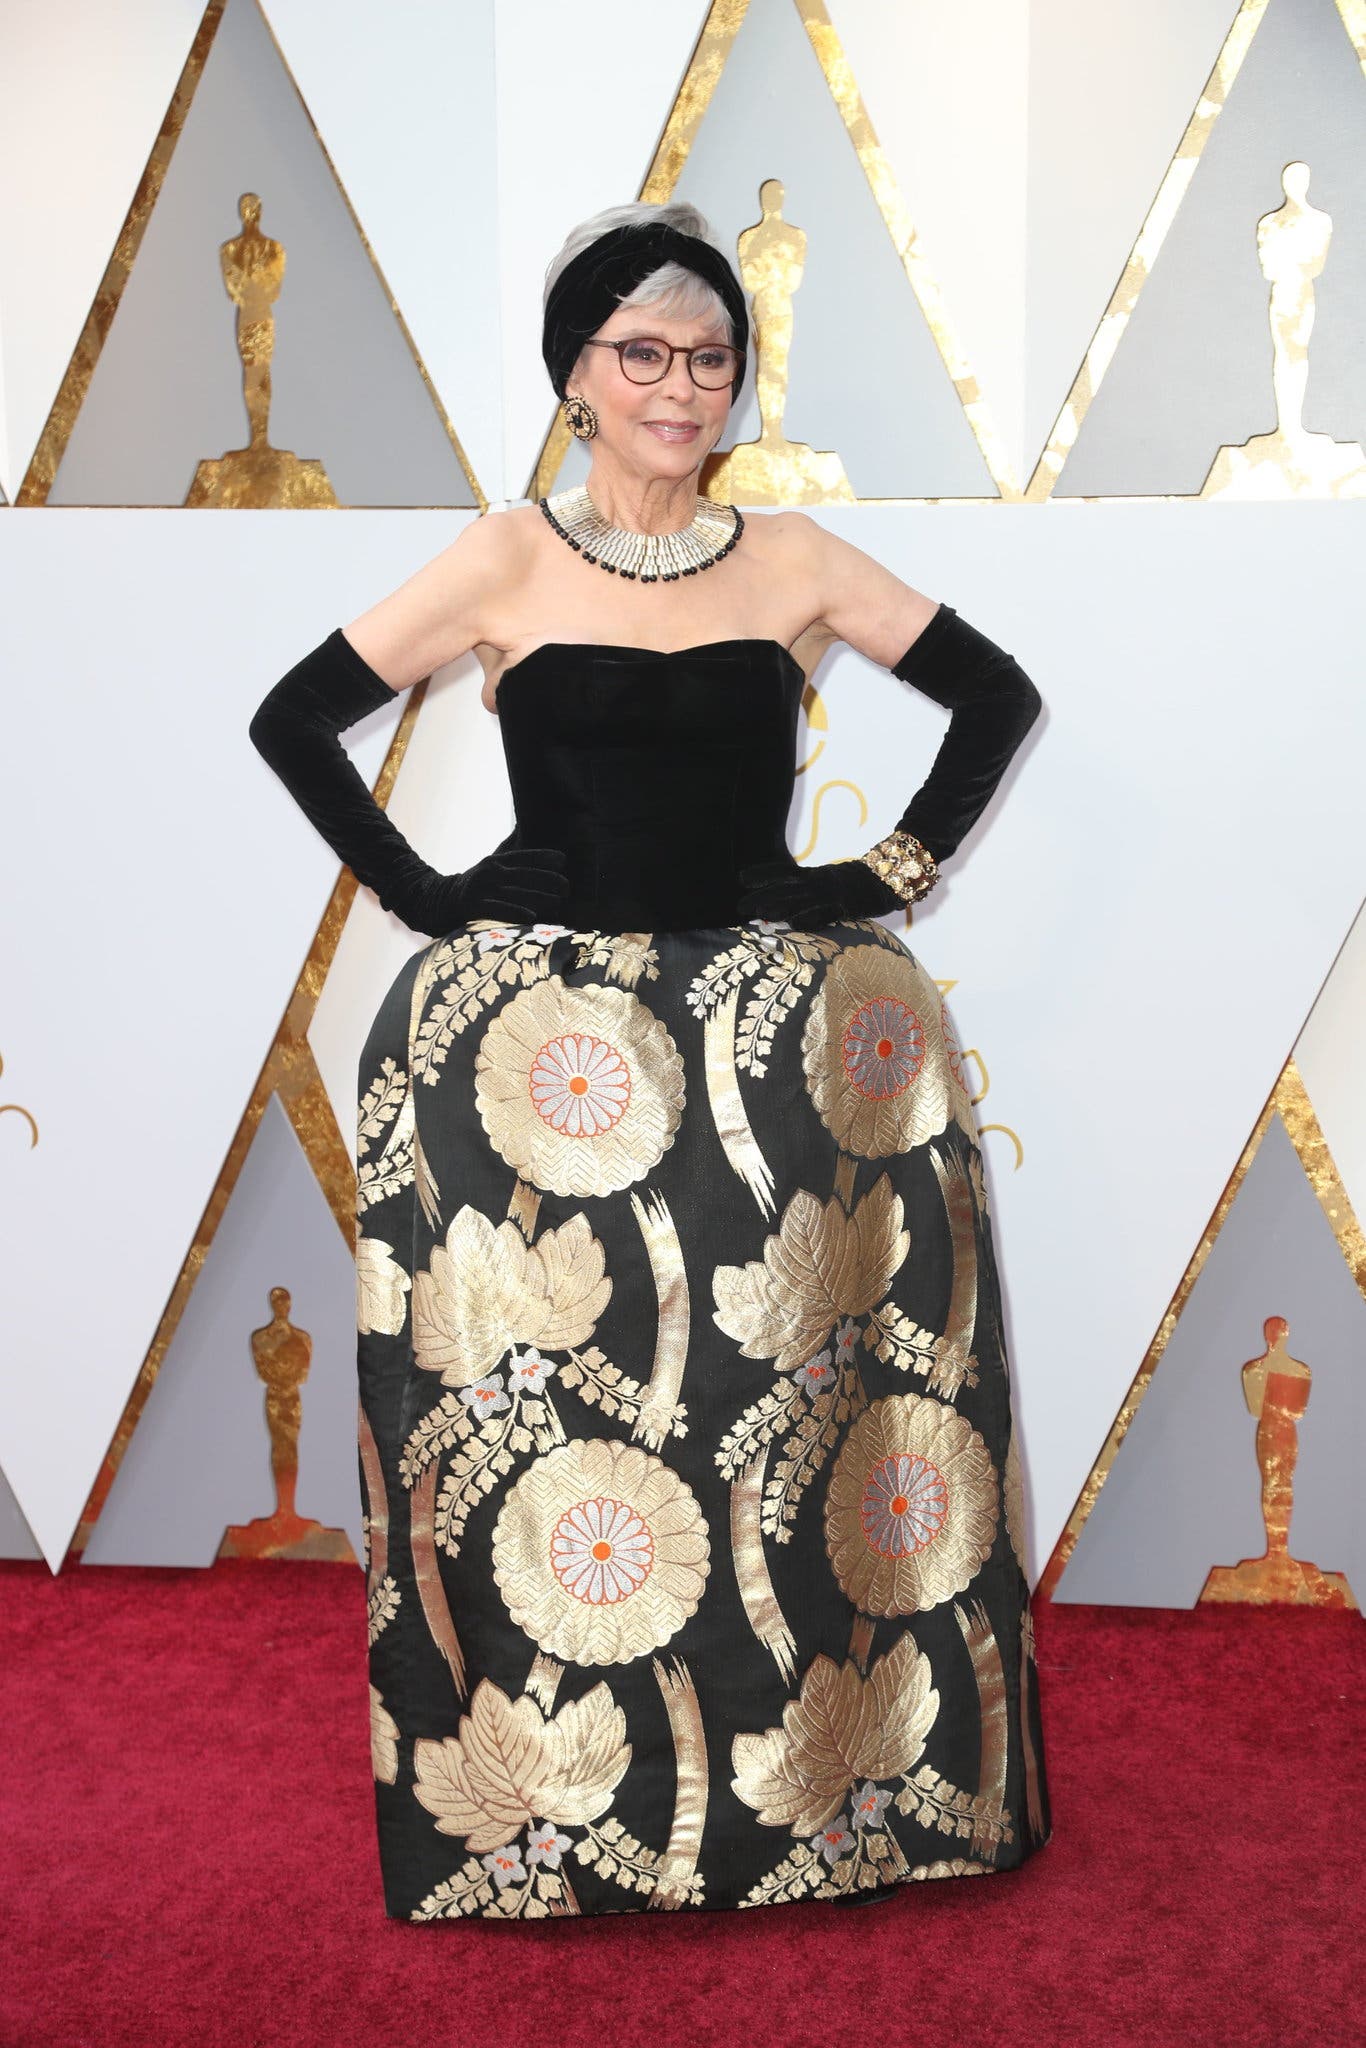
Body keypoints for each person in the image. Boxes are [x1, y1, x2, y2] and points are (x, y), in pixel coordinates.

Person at [248, 199, 1052, 1922]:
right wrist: (429, 897)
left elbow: (994, 697)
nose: (679, 387)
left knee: (796, 1417)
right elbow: (291, 721)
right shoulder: (505, 558)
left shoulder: (799, 558)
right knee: (555, 1418)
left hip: (775, 1046)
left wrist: (875, 879)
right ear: (577, 379)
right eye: (642, 355)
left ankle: (838, 1789)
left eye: (708, 357)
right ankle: (540, 1815)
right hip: (543, 1052)